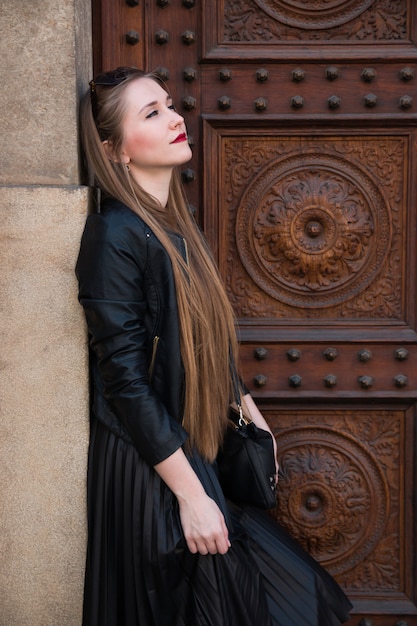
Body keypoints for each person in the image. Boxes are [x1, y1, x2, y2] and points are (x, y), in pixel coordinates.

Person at [76, 66, 352, 626]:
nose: (176, 118)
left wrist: (253, 416)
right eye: (151, 114)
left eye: (169, 105)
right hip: (151, 469)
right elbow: (124, 382)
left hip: (191, 454)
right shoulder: (113, 236)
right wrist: (191, 497)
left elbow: (201, 346)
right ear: (115, 150)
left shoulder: (174, 228)